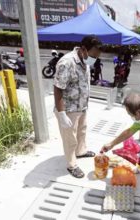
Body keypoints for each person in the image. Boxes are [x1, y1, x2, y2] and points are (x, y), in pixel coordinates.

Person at [54, 35, 102, 178]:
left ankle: (80, 151)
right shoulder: (67, 63)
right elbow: (58, 88)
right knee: (70, 138)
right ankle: (72, 164)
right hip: (68, 109)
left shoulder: (84, 60)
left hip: (81, 105)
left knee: (82, 130)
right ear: (83, 49)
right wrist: (61, 113)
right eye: (93, 55)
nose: (94, 58)